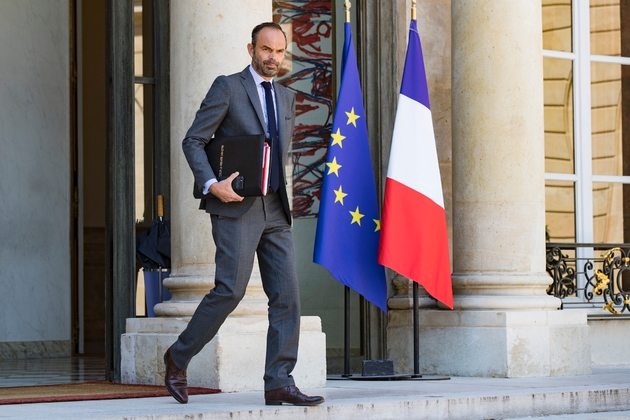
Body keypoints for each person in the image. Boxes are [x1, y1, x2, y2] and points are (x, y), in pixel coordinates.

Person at [163, 22, 324, 407]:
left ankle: (279, 382)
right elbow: (194, 140)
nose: (273, 57)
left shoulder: (286, 98)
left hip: (274, 208)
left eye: (279, 51)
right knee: (230, 290)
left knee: (287, 296)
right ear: (251, 49)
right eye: (266, 50)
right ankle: (177, 357)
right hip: (236, 207)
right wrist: (211, 183)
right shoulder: (228, 87)